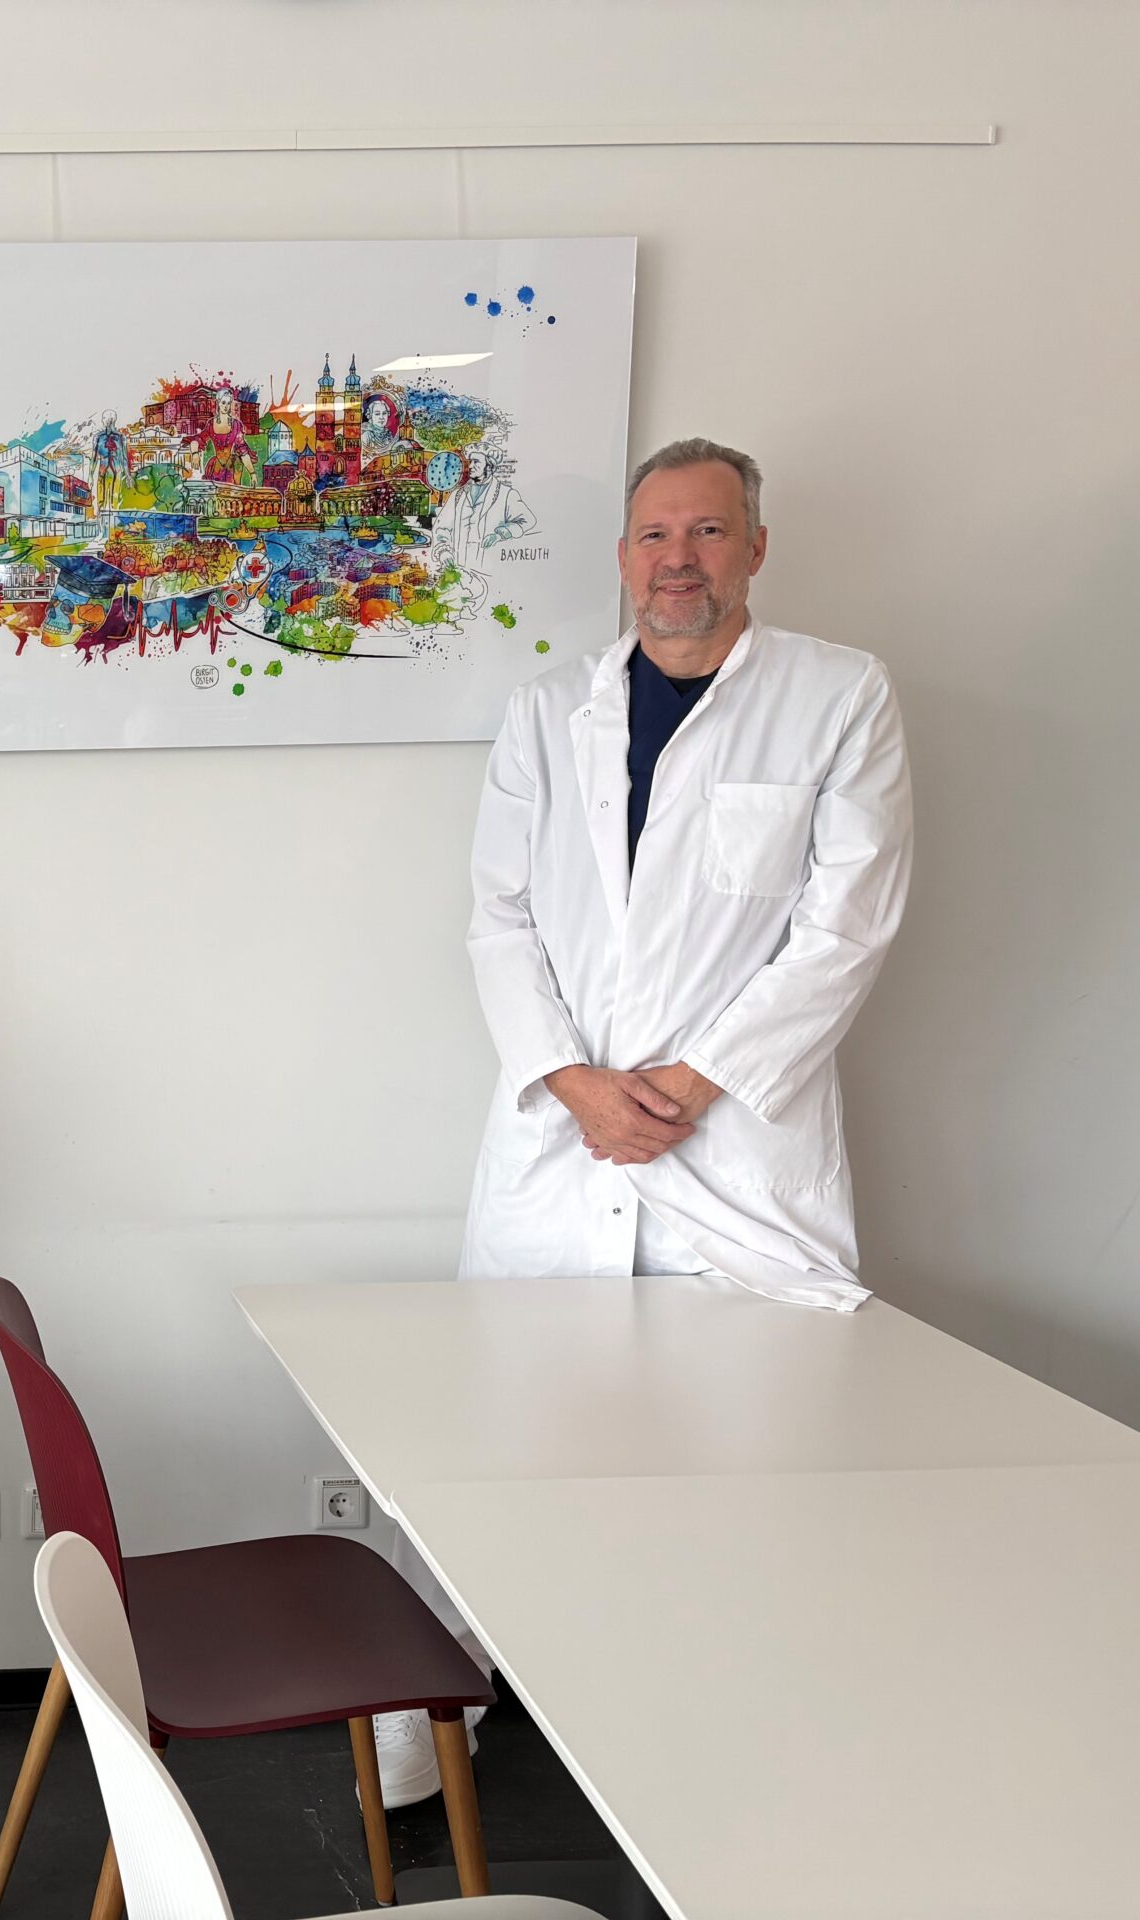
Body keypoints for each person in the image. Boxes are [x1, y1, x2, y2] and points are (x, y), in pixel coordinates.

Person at [366, 438, 915, 1810]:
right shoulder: (550, 710)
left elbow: (846, 927)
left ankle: (716, 1730)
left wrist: (695, 1083)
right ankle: (432, 1722)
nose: (681, 560)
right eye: (656, 535)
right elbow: (498, 919)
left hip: (738, 1152)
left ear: (755, 551)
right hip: (564, 1141)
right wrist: (577, 1084)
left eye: (710, 533)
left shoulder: (840, 699)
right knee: (502, 1441)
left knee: (745, 1458)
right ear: (622, 559)